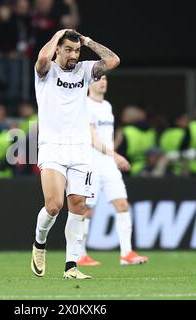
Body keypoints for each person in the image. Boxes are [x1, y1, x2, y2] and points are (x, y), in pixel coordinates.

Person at [31, 29, 120, 280]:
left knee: (78, 205)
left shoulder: (84, 70)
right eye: (68, 49)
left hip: (80, 147)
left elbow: (113, 61)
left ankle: (71, 266)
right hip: (52, 145)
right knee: (54, 205)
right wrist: (57, 34)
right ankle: (40, 242)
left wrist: (89, 41)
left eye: (76, 50)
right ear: (57, 49)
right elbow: (41, 59)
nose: (73, 55)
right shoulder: (46, 72)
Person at [77, 75, 148, 267]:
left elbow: (105, 138)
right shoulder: (84, 105)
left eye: (105, 78)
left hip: (108, 164)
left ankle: (126, 253)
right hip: (90, 163)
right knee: (86, 209)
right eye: (99, 78)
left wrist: (113, 152)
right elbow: (92, 139)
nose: (103, 81)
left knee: (123, 204)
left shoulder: (107, 106)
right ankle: (80, 254)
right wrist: (115, 155)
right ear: (89, 83)